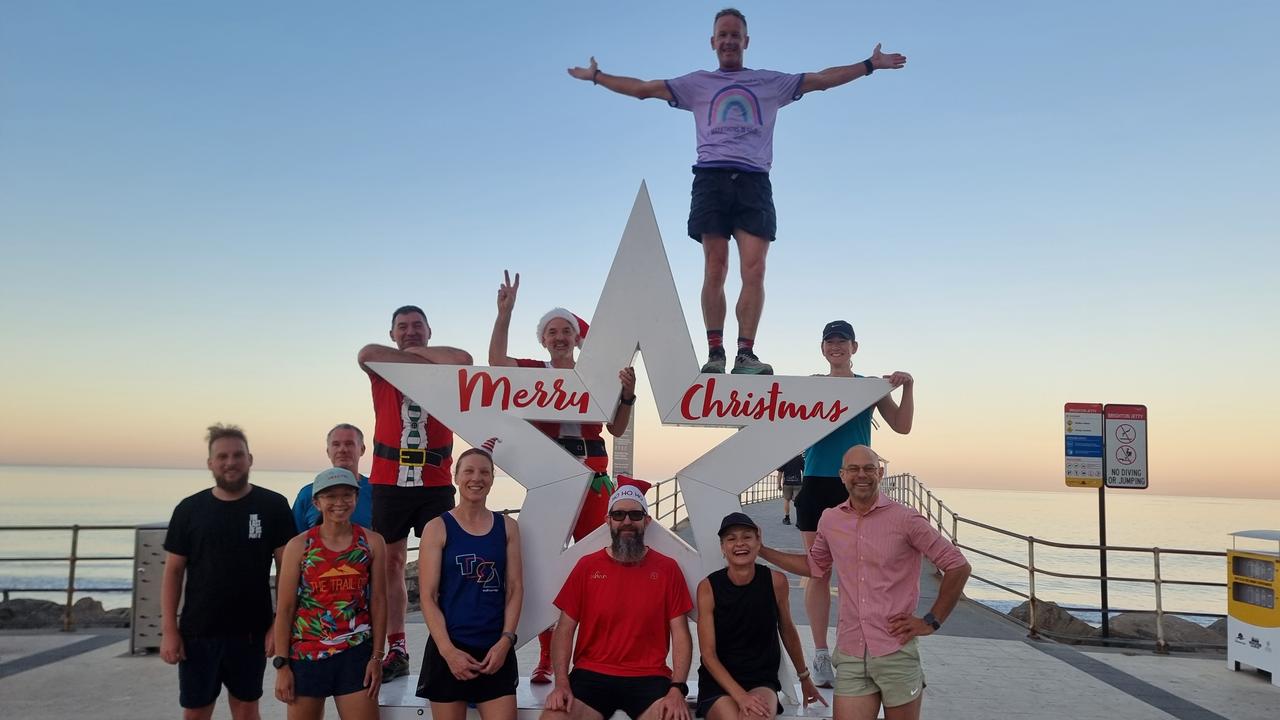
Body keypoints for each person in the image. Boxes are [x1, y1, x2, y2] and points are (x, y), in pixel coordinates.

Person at [567, 8, 906, 376]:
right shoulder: (697, 84)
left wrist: (869, 65)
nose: (729, 40)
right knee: (715, 266)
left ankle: (746, 354)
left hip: (753, 182)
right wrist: (597, 77)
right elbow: (645, 90)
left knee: (755, 270)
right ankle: (715, 353)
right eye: (722, 35)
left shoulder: (769, 83)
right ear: (713, 42)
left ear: (745, 41)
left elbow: (821, 80)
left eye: (735, 34)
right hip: (711, 178)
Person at [489, 269, 642, 683]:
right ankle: (544, 657)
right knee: (542, 566)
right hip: (552, 480)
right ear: (543, 340)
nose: (559, 336)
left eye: (566, 331)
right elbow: (497, 364)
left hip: (593, 479)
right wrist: (505, 313)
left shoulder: (598, 374)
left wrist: (626, 393)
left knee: (599, 564)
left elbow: (616, 427)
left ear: (577, 338)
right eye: (552, 331)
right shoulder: (534, 372)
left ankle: (592, 654)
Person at [760, 446, 971, 720]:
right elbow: (815, 566)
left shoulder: (906, 519)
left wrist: (932, 620)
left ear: (880, 473)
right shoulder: (831, 519)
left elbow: (957, 566)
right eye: (854, 469)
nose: (862, 475)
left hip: (895, 649)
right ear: (842, 475)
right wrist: (762, 550)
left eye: (869, 468)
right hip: (851, 651)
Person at [358, 304, 473, 680]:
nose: (410, 331)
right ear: (392, 333)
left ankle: (451, 644)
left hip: (435, 479)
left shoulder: (445, 368)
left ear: (429, 331)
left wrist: (411, 356)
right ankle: (397, 647)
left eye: (417, 326)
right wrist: (415, 359)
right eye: (402, 327)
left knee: (446, 564)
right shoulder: (382, 367)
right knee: (390, 563)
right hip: (389, 480)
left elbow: (464, 358)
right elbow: (367, 353)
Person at [796, 319, 914, 687]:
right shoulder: (811, 386)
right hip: (816, 482)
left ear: (854, 347)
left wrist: (908, 386)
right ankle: (818, 653)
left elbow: (902, 425)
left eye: (842, 342)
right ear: (823, 349)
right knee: (818, 572)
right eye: (830, 342)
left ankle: (856, 650)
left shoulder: (870, 388)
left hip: (857, 482)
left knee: (859, 571)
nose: (837, 347)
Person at [161, 424, 295, 720]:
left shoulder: (272, 506)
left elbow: (288, 571)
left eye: (237, 455)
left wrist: (278, 625)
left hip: (251, 632)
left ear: (250, 458)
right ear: (211, 463)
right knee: (196, 711)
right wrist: (170, 629)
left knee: (247, 710)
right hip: (198, 631)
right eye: (222, 456)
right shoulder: (189, 510)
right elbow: (172, 572)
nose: (230, 462)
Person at [540, 486, 694, 720]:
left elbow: (681, 634)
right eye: (619, 515)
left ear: (647, 521)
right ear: (608, 520)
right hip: (591, 674)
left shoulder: (667, 568)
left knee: (675, 718)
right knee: (554, 716)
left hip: (650, 676)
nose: (627, 522)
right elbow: (564, 630)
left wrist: (677, 689)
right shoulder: (587, 567)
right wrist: (561, 683)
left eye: (635, 515)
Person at [415, 444, 524, 719]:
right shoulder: (437, 527)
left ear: (492, 478)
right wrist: (448, 651)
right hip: (449, 648)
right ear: (456, 477)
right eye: (469, 471)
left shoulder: (508, 527)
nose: (477, 478)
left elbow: (514, 589)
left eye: (484, 472)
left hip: (494, 650)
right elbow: (427, 597)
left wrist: (505, 641)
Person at [272, 468, 388, 720]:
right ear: (316, 502)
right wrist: (282, 665)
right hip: (306, 654)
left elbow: (379, 601)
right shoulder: (299, 546)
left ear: (356, 498)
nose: (339, 502)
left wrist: (377, 657)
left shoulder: (372, 542)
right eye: (330, 496)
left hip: (355, 653)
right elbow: (285, 608)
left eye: (347, 495)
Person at [695, 512, 825, 719]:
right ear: (722, 548)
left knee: (755, 716)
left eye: (747, 537)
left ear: (758, 543)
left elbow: (787, 630)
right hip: (718, 681)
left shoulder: (776, 582)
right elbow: (708, 655)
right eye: (731, 539)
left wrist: (804, 677)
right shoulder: (708, 588)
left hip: (760, 679)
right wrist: (740, 697)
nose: (740, 543)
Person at [291, 424, 374, 532]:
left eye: (349, 444)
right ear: (328, 451)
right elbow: (293, 541)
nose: (342, 449)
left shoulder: (376, 492)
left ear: (362, 449)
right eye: (336, 444)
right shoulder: (308, 494)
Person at [777, 455, 804, 526]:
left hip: (787, 484)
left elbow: (780, 473)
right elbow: (804, 471)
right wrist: (804, 483)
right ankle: (799, 521)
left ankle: (787, 519)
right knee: (798, 502)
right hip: (797, 483)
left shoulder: (785, 456)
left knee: (786, 500)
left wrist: (778, 484)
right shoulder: (799, 457)